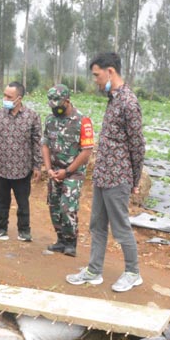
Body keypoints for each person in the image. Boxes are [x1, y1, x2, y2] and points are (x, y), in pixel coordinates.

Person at [66, 52, 146, 292]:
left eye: (97, 75)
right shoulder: (113, 99)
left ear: (110, 71)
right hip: (103, 175)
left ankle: (133, 272)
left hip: (118, 177)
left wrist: (134, 178)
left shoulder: (129, 102)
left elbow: (137, 144)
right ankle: (94, 270)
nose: (96, 80)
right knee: (97, 225)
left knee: (120, 227)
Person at [0, 81, 42, 242]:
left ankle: (24, 231)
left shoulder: (32, 117)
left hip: (22, 169)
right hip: (2, 167)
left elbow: (37, 143)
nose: (5, 99)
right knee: (1, 202)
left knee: (23, 202)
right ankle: (0, 229)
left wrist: (37, 165)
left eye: (9, 96)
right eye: (4, 95)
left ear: (19, 98)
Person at [42, 84, 94, 257]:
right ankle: (60, 240)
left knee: (67, 207)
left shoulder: (83, 121)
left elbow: (86, 152)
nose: (56, 109)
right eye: (52, 106)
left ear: (67, 101)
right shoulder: (50, 120)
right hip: (55, 172)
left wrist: (68, 171)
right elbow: (45, 145)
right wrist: (48, 169)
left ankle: (71, 242)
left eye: (59, 105)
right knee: (55, 206)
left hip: (74, 173)